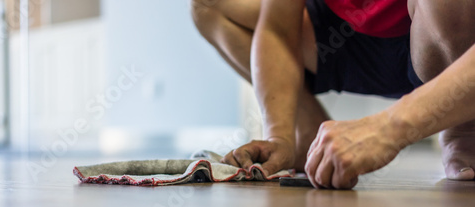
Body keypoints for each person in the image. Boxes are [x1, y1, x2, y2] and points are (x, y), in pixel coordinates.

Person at [191, 0, 475, 189]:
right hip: (345, 38)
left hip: (440, 36)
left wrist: (391, 128)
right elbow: (277, 30)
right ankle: (306, 139)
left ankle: (464, 127)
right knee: (211, 5)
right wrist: (279, 135)